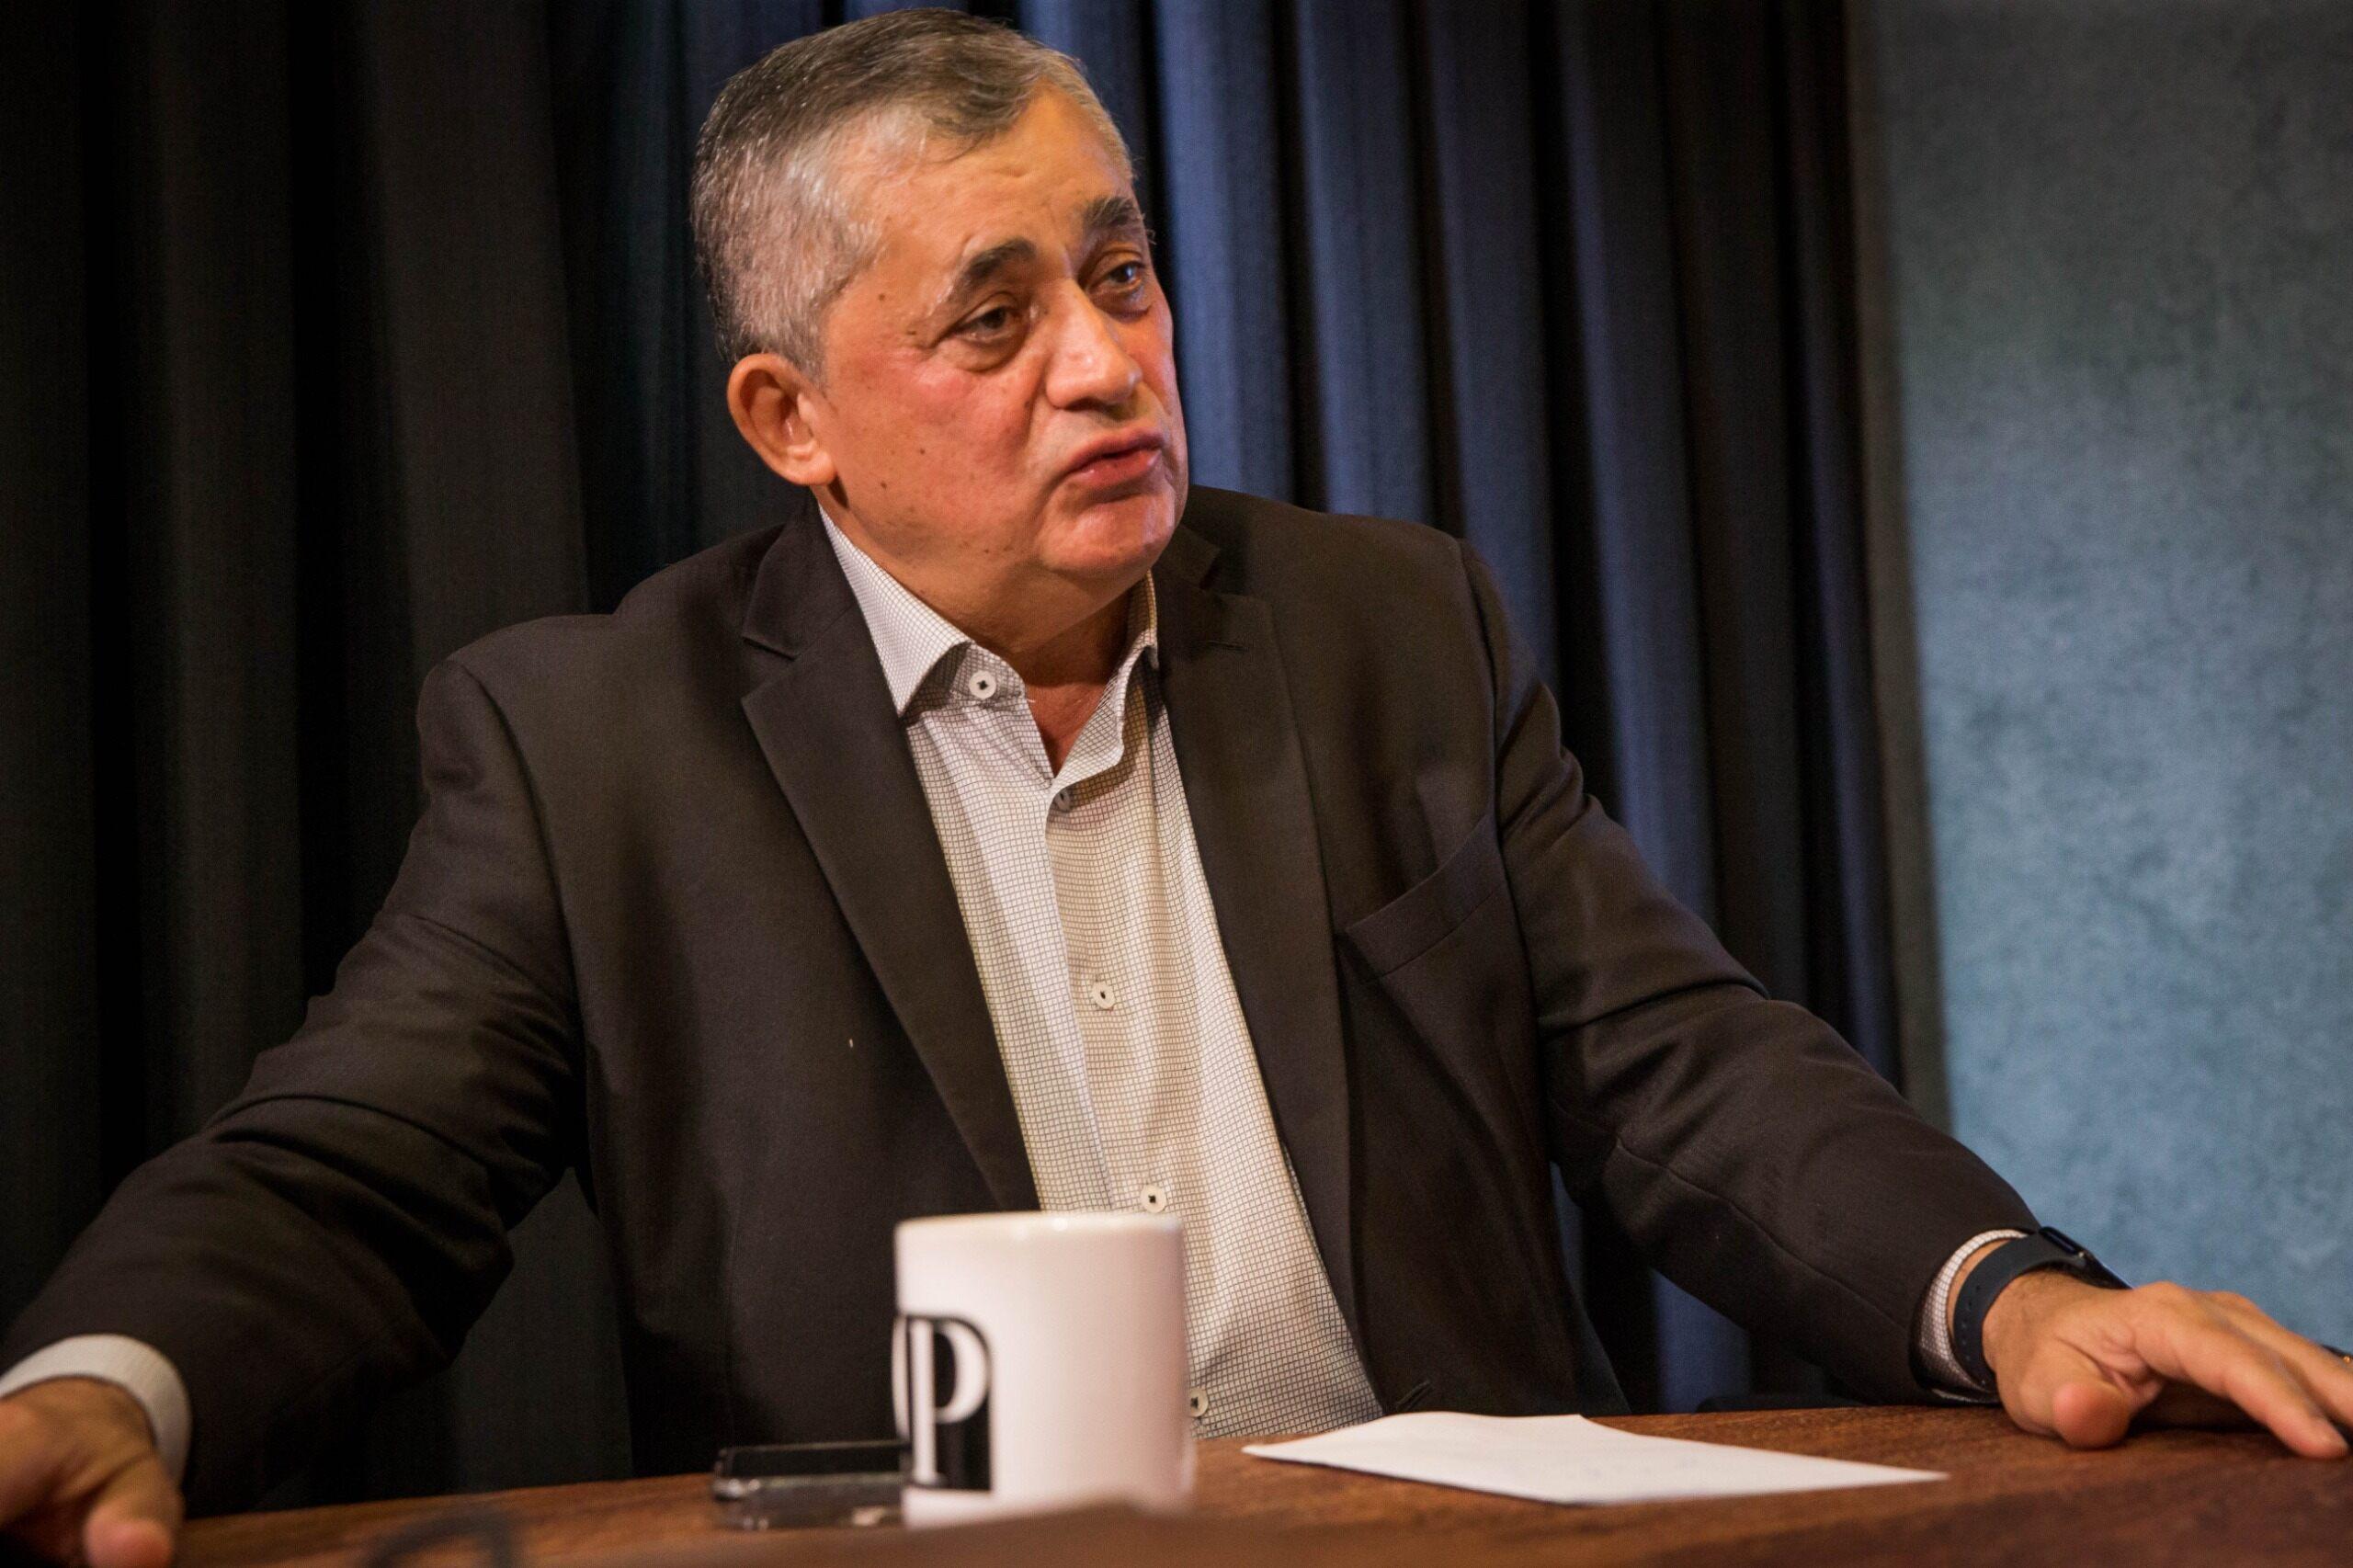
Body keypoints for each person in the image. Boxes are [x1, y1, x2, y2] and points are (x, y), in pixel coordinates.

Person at [5, 12, 2347, 1566]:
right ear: (790, 419)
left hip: (1441, 1550)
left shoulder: (1381, 623)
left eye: (1119, 276)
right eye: (995, 314)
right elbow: (358, 1167)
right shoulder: (594, 740)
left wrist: (1999, 1299)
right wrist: (116, 1382)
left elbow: (1680, 1065)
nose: (1108, 363)